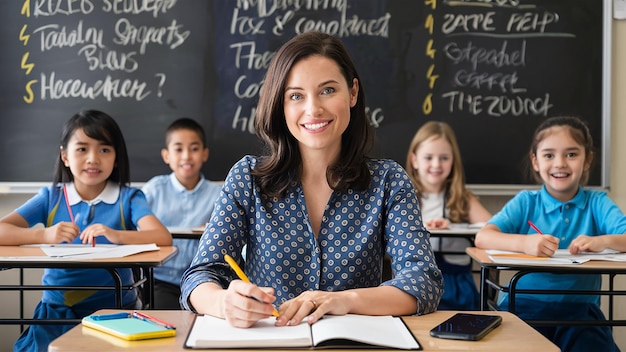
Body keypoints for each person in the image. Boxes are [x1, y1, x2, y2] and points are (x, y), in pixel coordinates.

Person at [180, 31, 443, 328]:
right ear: (281, 105)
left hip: (353, 346)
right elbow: (200, 276)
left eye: (328, 90)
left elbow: (423, 282)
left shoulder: (389, 181)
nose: (313, 109)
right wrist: (222, 302)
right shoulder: (247, 179)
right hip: (269, 343)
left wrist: (345, 300)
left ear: (353, 93)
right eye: (295, 96)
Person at [0, 110, 172, 351]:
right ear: (65, 156)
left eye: (104, 150)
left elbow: (162, 237)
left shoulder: (128, 198)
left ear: (117, 158)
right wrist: (44, 234)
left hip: (115, 310)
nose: (93, 159)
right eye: (82, 149)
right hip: (56, 311)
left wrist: (117, 235)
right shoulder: (51, 197)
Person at [475, 116, 625, 352]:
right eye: (549, 155)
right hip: (524, 307)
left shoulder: (598, 203)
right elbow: (484, 237)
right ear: (535, 161)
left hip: (581, 314)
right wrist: (525, 244)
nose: (560, 163)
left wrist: (603, 241)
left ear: (588, 160)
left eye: (572, 154)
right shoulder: (526, 201)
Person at [405, 121, 491, 310]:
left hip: (457, 286)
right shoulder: (403, 197)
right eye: (428, 157)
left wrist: (452, 226)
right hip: (415, 285)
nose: (436, 164)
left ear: (453, 161)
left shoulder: (462, 199)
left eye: (444, 158)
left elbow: (493, 229)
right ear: (414, 160)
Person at [142, 117, 221, 309]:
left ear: (204, 154)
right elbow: (134, 228)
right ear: (166, 155)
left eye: (194, 149)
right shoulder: (154, 189)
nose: (186, 156)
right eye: (178, 149)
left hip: (202, 282)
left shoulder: (219, 193)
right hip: (160, 280)